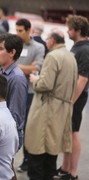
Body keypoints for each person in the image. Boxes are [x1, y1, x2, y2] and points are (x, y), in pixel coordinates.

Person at [25, 28, 78, 180]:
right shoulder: (70, 56)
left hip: (47, 108)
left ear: (52, 40)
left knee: (38, 153)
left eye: (47, 38)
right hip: (61, 109)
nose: (46, 41)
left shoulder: (53, 56)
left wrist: (35, 80)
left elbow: (45, 84)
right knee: (51, 155)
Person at [54, 15, 89, 180]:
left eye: (70, 29)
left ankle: (72, 173)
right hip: (70, 97)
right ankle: (65, 167)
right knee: (67, 133)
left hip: (77, 97)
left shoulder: (85, 49)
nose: (67, 31)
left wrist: (70, 102)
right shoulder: (77, 47)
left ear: (78, 31)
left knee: (74, 132)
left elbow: (82, 79)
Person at [0, 33, 27, 180]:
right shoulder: (0, 72)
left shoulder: (17, 79)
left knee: (4, 171)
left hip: (7, 134)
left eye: (0, 48)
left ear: (12, 52)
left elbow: (16, 115)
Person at [15, 18, 45, 173]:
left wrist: (15, 66)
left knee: (27, 127)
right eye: (17, 30)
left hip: (30, 93)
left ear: (28, 30)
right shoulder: (14, 44)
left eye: (20, 31)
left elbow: (35, 69)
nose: (18, 33)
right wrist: (26, 67)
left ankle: (27, 160)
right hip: (14, 91)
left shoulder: (38, 47)